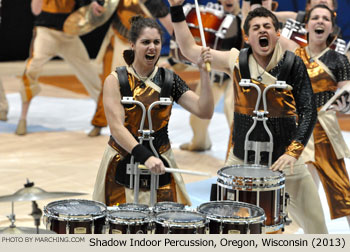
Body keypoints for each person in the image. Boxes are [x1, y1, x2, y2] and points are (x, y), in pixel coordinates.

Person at [168, 1, 328, 233]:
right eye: (256, 27)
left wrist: (294, 152)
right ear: (247, 36)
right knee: (231, 228)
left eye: (267, 26)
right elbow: (189, 49)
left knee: (318, 229)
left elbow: (308, 111)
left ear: (277, 33)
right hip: (241, 159)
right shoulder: (234, 60)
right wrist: (176, 9)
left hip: (285, 159)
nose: (262, 30)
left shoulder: (294, 64)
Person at [92, 15, 214, 206]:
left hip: (161, 160)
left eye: (157, 42)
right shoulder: (115, 80)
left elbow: (204, 111)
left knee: (165, 226)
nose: (152, 47)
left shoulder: (169, 79)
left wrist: (204, 73)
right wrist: (144, 156)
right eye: (145, 42)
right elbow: (116, 128)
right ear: (132, 44)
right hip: (122, 160)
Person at [294, 4, 350, 225]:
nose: (320, 21)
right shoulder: (293, 57)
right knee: (302, 195)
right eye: (315, 17)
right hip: (298, 132)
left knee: (343, 192)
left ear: (331, 27)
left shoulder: (339, 60)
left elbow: (346, 96)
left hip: (326, 131)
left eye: (325, 19)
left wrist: (345, 105)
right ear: (306, 25)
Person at [15, 0, 102, 135]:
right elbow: (36, 10)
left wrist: (92, 5)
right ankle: (23, 118)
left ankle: (103, 118)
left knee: (90, 74)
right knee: (32, 69)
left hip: (69, 35)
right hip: (46, 33)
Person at [88, 0, 174, 137]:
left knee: (143, 88)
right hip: (116, 39)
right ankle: (99, 122)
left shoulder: (154, 3)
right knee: (109, 84)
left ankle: (146, 127)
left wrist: (177, 43)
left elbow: (168, 22)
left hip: (141, 48)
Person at [176, 0, 243, 151]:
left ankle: (237, 151)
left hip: (237, 75)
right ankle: (200, 142)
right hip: (216, 74)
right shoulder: (216, 18)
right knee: (197, 116)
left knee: (231, 110)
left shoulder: (245, 20)